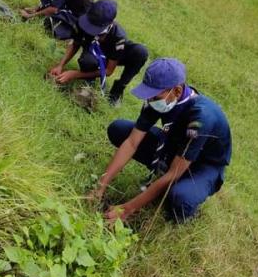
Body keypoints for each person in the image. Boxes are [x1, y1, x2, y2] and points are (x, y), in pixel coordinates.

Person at [89, 58, 232, 224]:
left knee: (180, 198)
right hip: (173, 146)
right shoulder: (158, 100)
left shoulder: (201, 118)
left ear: (177, 91)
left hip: (203, 165)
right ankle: (163, 174)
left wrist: (127, 209)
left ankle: (190, 192)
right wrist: (101, 186)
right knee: (118, 129)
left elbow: (174, 173)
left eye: (154, 96)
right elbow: (132, 142)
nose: (149, 101)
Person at [48, 0, 148, 106]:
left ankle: (118, 90)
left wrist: (75, 74)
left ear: (111, 23)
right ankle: (88, 79)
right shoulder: (83, 21)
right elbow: (75, 43)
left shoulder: (119, 38)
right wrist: (60, 65)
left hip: (113, 55)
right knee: (88, 61)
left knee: (141, 52)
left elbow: (109, 71)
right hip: (92, 51)